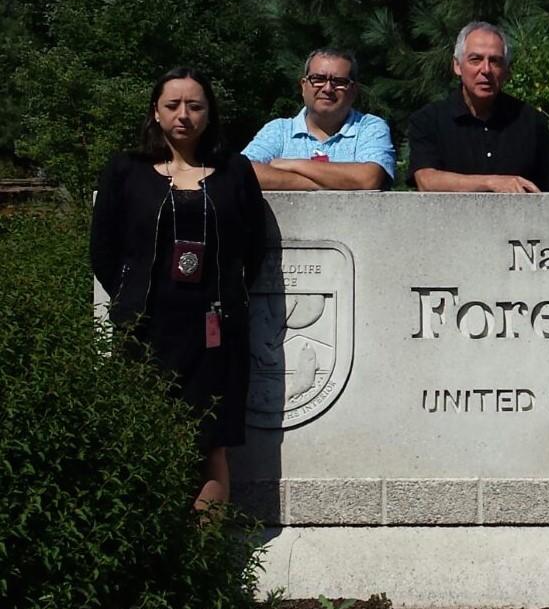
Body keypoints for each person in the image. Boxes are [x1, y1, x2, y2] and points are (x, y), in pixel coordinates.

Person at [90, 67, 266, 511]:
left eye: (195, 105)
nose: (183, 115)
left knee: (212, 443)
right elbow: (104, 250)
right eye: (173, 105)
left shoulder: (234, 170)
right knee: (143, 435)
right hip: (147, 329)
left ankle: (205, 564)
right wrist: (132, 298)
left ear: (209, 113)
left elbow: (254, 247)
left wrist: (228, 297)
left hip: (215, 330)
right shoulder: (126, 170)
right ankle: (156, 553)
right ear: (155, 111)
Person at [407, 21, 549, 192]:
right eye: (475, 59)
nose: (486, 69)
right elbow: (426, 181)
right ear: (457, 66)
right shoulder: (428, 120)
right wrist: (491, 183)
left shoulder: (531, 122)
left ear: (506, 71)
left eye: (495, 61)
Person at [242, 48, 395, 190]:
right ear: (303, 86)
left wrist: (291, 164)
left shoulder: (370, 128)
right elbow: (242, 173)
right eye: (318, 79)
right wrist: (317, 184)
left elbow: (368, 178)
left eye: (339, 82)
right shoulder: (278, 130)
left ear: (353, 91)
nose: (328, 88)